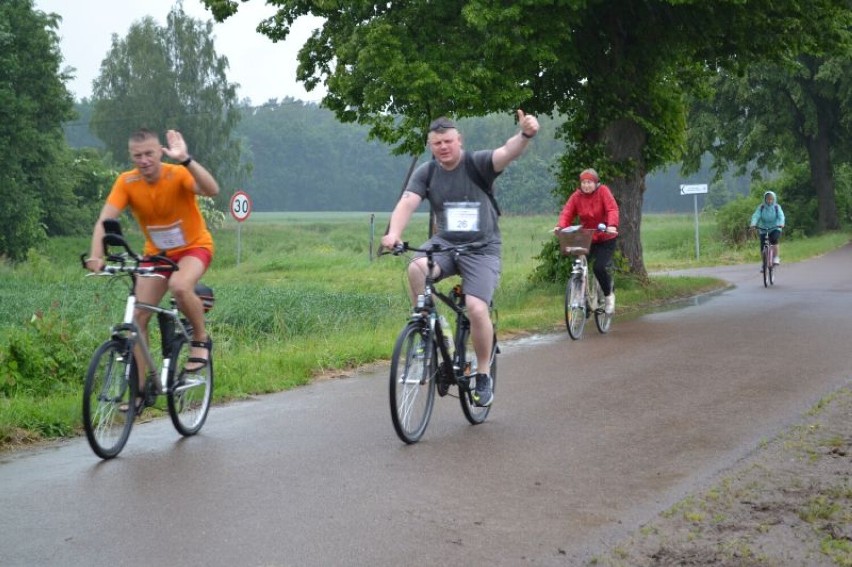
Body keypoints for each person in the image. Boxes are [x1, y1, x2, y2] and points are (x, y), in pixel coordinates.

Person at [381, 110, 540, 407]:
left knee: (476, 308)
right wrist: (394, 233)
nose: (443, 147)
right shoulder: (427, 172)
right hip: (446, 244)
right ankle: (431, 328)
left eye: (448, 141)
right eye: (437, 143)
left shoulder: (477, 163)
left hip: (482, 248)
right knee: (416, 269)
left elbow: (507, 152)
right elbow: (407, 202)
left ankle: (482, 374)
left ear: (459, 140)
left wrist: (526, 134)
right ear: (431, 145)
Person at [85, 129, 219, 407]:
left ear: (160, 151)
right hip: (157, 254)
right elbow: (104, 219)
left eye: (149, 154)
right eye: (137, 156)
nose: (144, 160)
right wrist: (97, 254)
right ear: (131, 156)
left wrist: (186, 160)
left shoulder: (177, 174)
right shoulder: (127, 181)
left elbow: (212, 190)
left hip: (194, 247)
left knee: (180, 286)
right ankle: (141, 390)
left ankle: (201, 339)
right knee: (138, 319)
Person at [554, 168, 619, 313]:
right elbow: (567, 212)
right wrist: (560, 227)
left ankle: (608, 296)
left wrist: (612, 225)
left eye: (589, 182)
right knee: (578, 264)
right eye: (583, 182)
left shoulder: (603, 192)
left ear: (596, 183)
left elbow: (612, 209)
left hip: (605, 237)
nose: (586, 185)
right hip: (587, 237)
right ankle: (581, 297)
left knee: (598, 267)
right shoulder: (577, 196)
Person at [749, 190, 785, 266]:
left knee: (774, 239)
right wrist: (753, 224)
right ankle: (764, 263)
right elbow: (756, 216)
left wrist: (781, 223)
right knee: (762, 247)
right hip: (763, 228)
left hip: (775, 227)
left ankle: (776, 257)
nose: (769, 201)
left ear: (774, 199)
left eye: (771, 199)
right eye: (768, 199)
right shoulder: (761, 207)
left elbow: (781, 216)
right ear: (765, 199)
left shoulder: (777, 207)